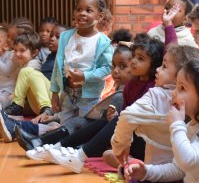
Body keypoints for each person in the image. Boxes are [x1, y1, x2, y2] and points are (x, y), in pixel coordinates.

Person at [23, 34, 164, 174]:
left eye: (140, 59)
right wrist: (115, 116)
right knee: (103, 123)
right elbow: (127, 115)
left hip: (147, 144)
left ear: (154, 65)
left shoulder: (155, 87)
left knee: (115, 123)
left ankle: (79, 155)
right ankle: (57, 147)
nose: (133, 61)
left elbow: (136, 119)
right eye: (134, 56)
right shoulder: (131, 85)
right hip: (129, 138)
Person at [125, 59, 199, 183]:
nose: (174, 93)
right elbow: (178, 169)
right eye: (176, 86)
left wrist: (176, 125)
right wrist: (146, 172)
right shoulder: (191, 125)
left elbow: (188, 161)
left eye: (182, 88)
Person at [111, 45, 199, 169]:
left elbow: (127, 116)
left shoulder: (157, 94)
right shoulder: (196, 100)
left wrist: (120, 145)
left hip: (160, 170)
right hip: (173, 171)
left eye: (164, 66)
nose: (157, 69)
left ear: (181, 74)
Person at [49, 0, 114, 126]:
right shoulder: (66, 37)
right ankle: (62, 145)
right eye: (79, 9)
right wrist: (55, 91)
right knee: (65, 126)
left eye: (88, 10)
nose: (82, 13)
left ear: (100, 16)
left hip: (89, 96)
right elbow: (58, 64)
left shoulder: (103, 42)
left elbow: (108, 68)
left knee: (83, 127)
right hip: (67, 92)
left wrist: (85, 76)